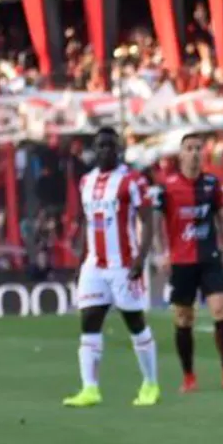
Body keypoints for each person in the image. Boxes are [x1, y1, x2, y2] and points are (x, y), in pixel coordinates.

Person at [62, 128, 160, 408]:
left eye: (110, 146)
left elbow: (148, 220)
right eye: (100, 146)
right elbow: (86, 222)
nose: (105, 150)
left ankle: (150, 384)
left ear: (118, 149)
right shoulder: (86, 182)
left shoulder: (132, 181)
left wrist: (141, 260)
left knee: (135, 323)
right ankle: (89, 389)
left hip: (123, 264)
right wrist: (81, 261)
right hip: (94, 264)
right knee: (89, 322)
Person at [155, 132, 223, 392]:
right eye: (189, 148)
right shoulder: (167, 186)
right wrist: (161, 252)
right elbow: (155, 221)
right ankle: (189, 377)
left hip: (209, 257)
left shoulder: (212, 183)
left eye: (199, 148)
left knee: (222, 310)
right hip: (181, 261)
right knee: (183, 318)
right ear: (180, 154)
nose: (194, 153)